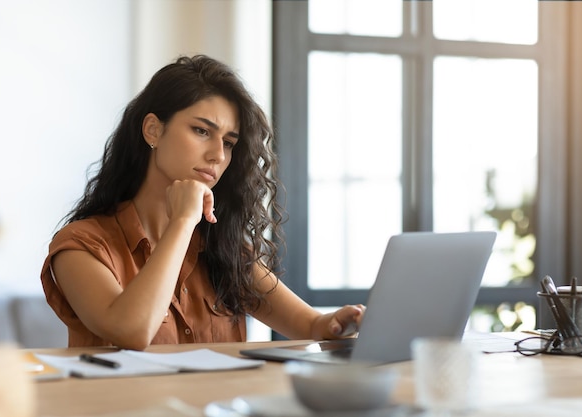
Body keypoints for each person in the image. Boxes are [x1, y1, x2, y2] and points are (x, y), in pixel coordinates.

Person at [40, 54, 365, 350]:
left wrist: (337, 323)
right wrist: (182, 221)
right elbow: (131, 332)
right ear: (153, 130)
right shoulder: (80, 246)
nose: (218, 155)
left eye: (228, 142)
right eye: (200, 131)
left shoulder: (224, 250)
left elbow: (309, 325)